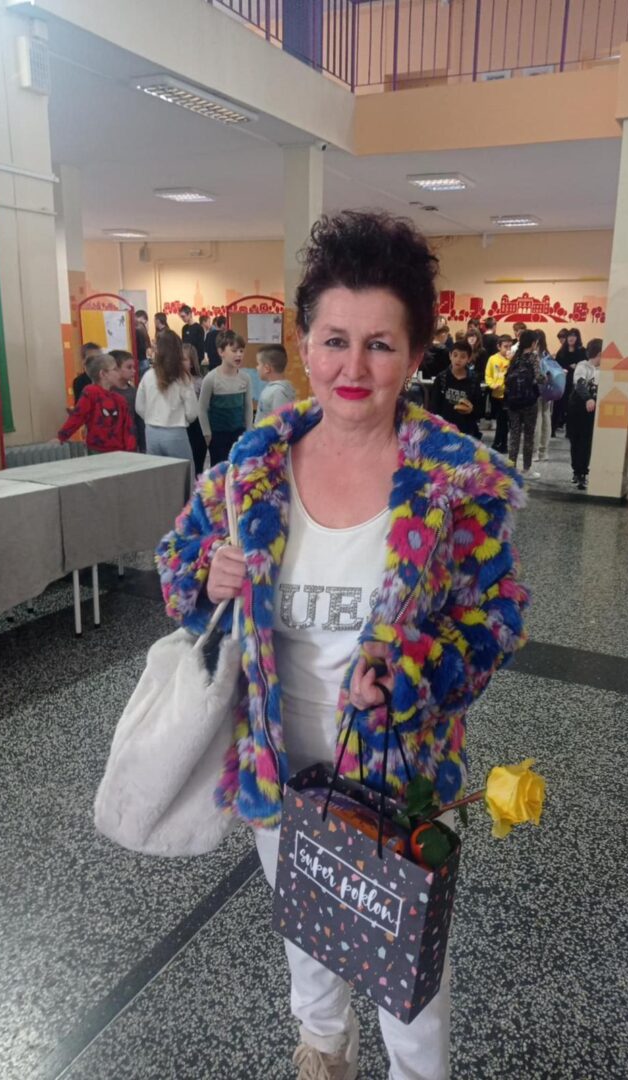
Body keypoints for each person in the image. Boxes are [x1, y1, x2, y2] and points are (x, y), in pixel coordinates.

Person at [155, 209, 529, 1080]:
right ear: (303, 342)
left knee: (407, 964)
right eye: (333, 341)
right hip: (278, 760)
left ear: (416, 352)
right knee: (307, 927)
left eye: (379, 345)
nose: (352, 369)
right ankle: (323, 1051)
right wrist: (206, 576)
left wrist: (413, 672)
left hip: (400, 767)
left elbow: (498, 616)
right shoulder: (249, 470)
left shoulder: (454, 484)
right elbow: (175, 568)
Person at [135, 329, 198, 468]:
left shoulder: (148, 375)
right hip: (175, 432)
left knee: (157, 475)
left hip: (151, 432)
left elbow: (139, 406)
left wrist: (151, 417)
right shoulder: (183, 377)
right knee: (183, 473)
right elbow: (192, 413)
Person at [58, 353, 136, 454]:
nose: (118, 373)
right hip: (97, 450)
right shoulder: (91, 392)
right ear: (103, 374)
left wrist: (130, 450)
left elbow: (128, 427)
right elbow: (78, 416)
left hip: (119, 451)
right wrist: (61, 437)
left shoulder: (120, 399)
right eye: (115, 369)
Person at [198, 329, 253, 464]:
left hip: (239, 433)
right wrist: (207, 434)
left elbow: (248, 406)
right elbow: (202, 408)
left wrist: (249, 430)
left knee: (239, 468)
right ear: (221, 352)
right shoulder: (211, 378)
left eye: (241, 351)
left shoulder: (245, 378)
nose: (239, 355)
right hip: (218, 435)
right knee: (220, 470)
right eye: (234, 351)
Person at [505, 329, 545, 478]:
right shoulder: (533, 357)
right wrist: (546, 378)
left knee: (514, 435)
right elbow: (539, 377)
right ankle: (526, 469)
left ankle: (511, 468)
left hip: (513, 402)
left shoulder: (515, 357)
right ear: (533, 343)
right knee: (528, 435)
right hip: (529, 401)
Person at [429, 338, 482, 439]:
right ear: (450, 356)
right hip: (444, 429)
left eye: (463, 356)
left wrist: (472, 410)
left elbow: (480, 409)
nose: (458, 359)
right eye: (455, 355)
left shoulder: (474, 380)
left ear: (469, 359)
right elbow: (434, 407)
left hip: (466, 430)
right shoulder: (442, 378)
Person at [567, 338, 602, 490]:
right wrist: (588, 398)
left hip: (591, 411)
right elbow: (579, 384)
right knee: (575, 440)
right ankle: (576, 470)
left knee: (586, 442)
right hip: (577, 408)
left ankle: (582, 472)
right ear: (599, 353)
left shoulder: (604, 370)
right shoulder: (583, 366)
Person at [552, 328, 586, 436]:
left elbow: (585, 366)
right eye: (569, 336)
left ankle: (570, 432)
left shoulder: (582, 351)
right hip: (562, 382)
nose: (571, 338)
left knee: (571, 408)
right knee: (557, 407)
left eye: (574, 336)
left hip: (575, 384)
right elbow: (556, 366)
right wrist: (565, 368)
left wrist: (577, 367)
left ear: (577, 338)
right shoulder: (562, 351)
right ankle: (552, 430)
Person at [110, 349, 145, 452]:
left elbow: (139, 421)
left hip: (131, 442)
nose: (133, 371)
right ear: (115, 369)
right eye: (129, 367)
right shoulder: (106, 392)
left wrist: (143, 446)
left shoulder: (134, 392)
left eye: (134, 367)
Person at [182, 342, 207, 474]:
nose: (180, 362)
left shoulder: (199, 382)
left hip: (196, 427)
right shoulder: (173, 382)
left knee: (197, 463)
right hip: (180, 426)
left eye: (184, 359)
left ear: (192, 362)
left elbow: (204, 407)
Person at [255, 343, 297, 424]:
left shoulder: (279, 392)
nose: (257, 367)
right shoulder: (273, 388)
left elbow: (281, 422)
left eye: (258, 364)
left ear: (267, 368)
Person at [485, 335, 513, 454]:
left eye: (510, 346)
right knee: (499, 420)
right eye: (505, 346)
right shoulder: (492, 359)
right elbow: (488, 375)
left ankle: (501, 444)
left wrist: (511, 360)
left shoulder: (512, 359)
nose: (508, 349)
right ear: (499, 346)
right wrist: (492, 384)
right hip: (496, 394)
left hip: (507, 395)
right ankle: (499, 443)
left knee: (504, 421)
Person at [532, 329, 554, 463]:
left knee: (537, 419)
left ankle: (534, 452)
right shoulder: (548, 355)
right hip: (548, 390)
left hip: (536, 390)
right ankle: (544, 452)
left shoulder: (534, 355)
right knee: (546, 418)